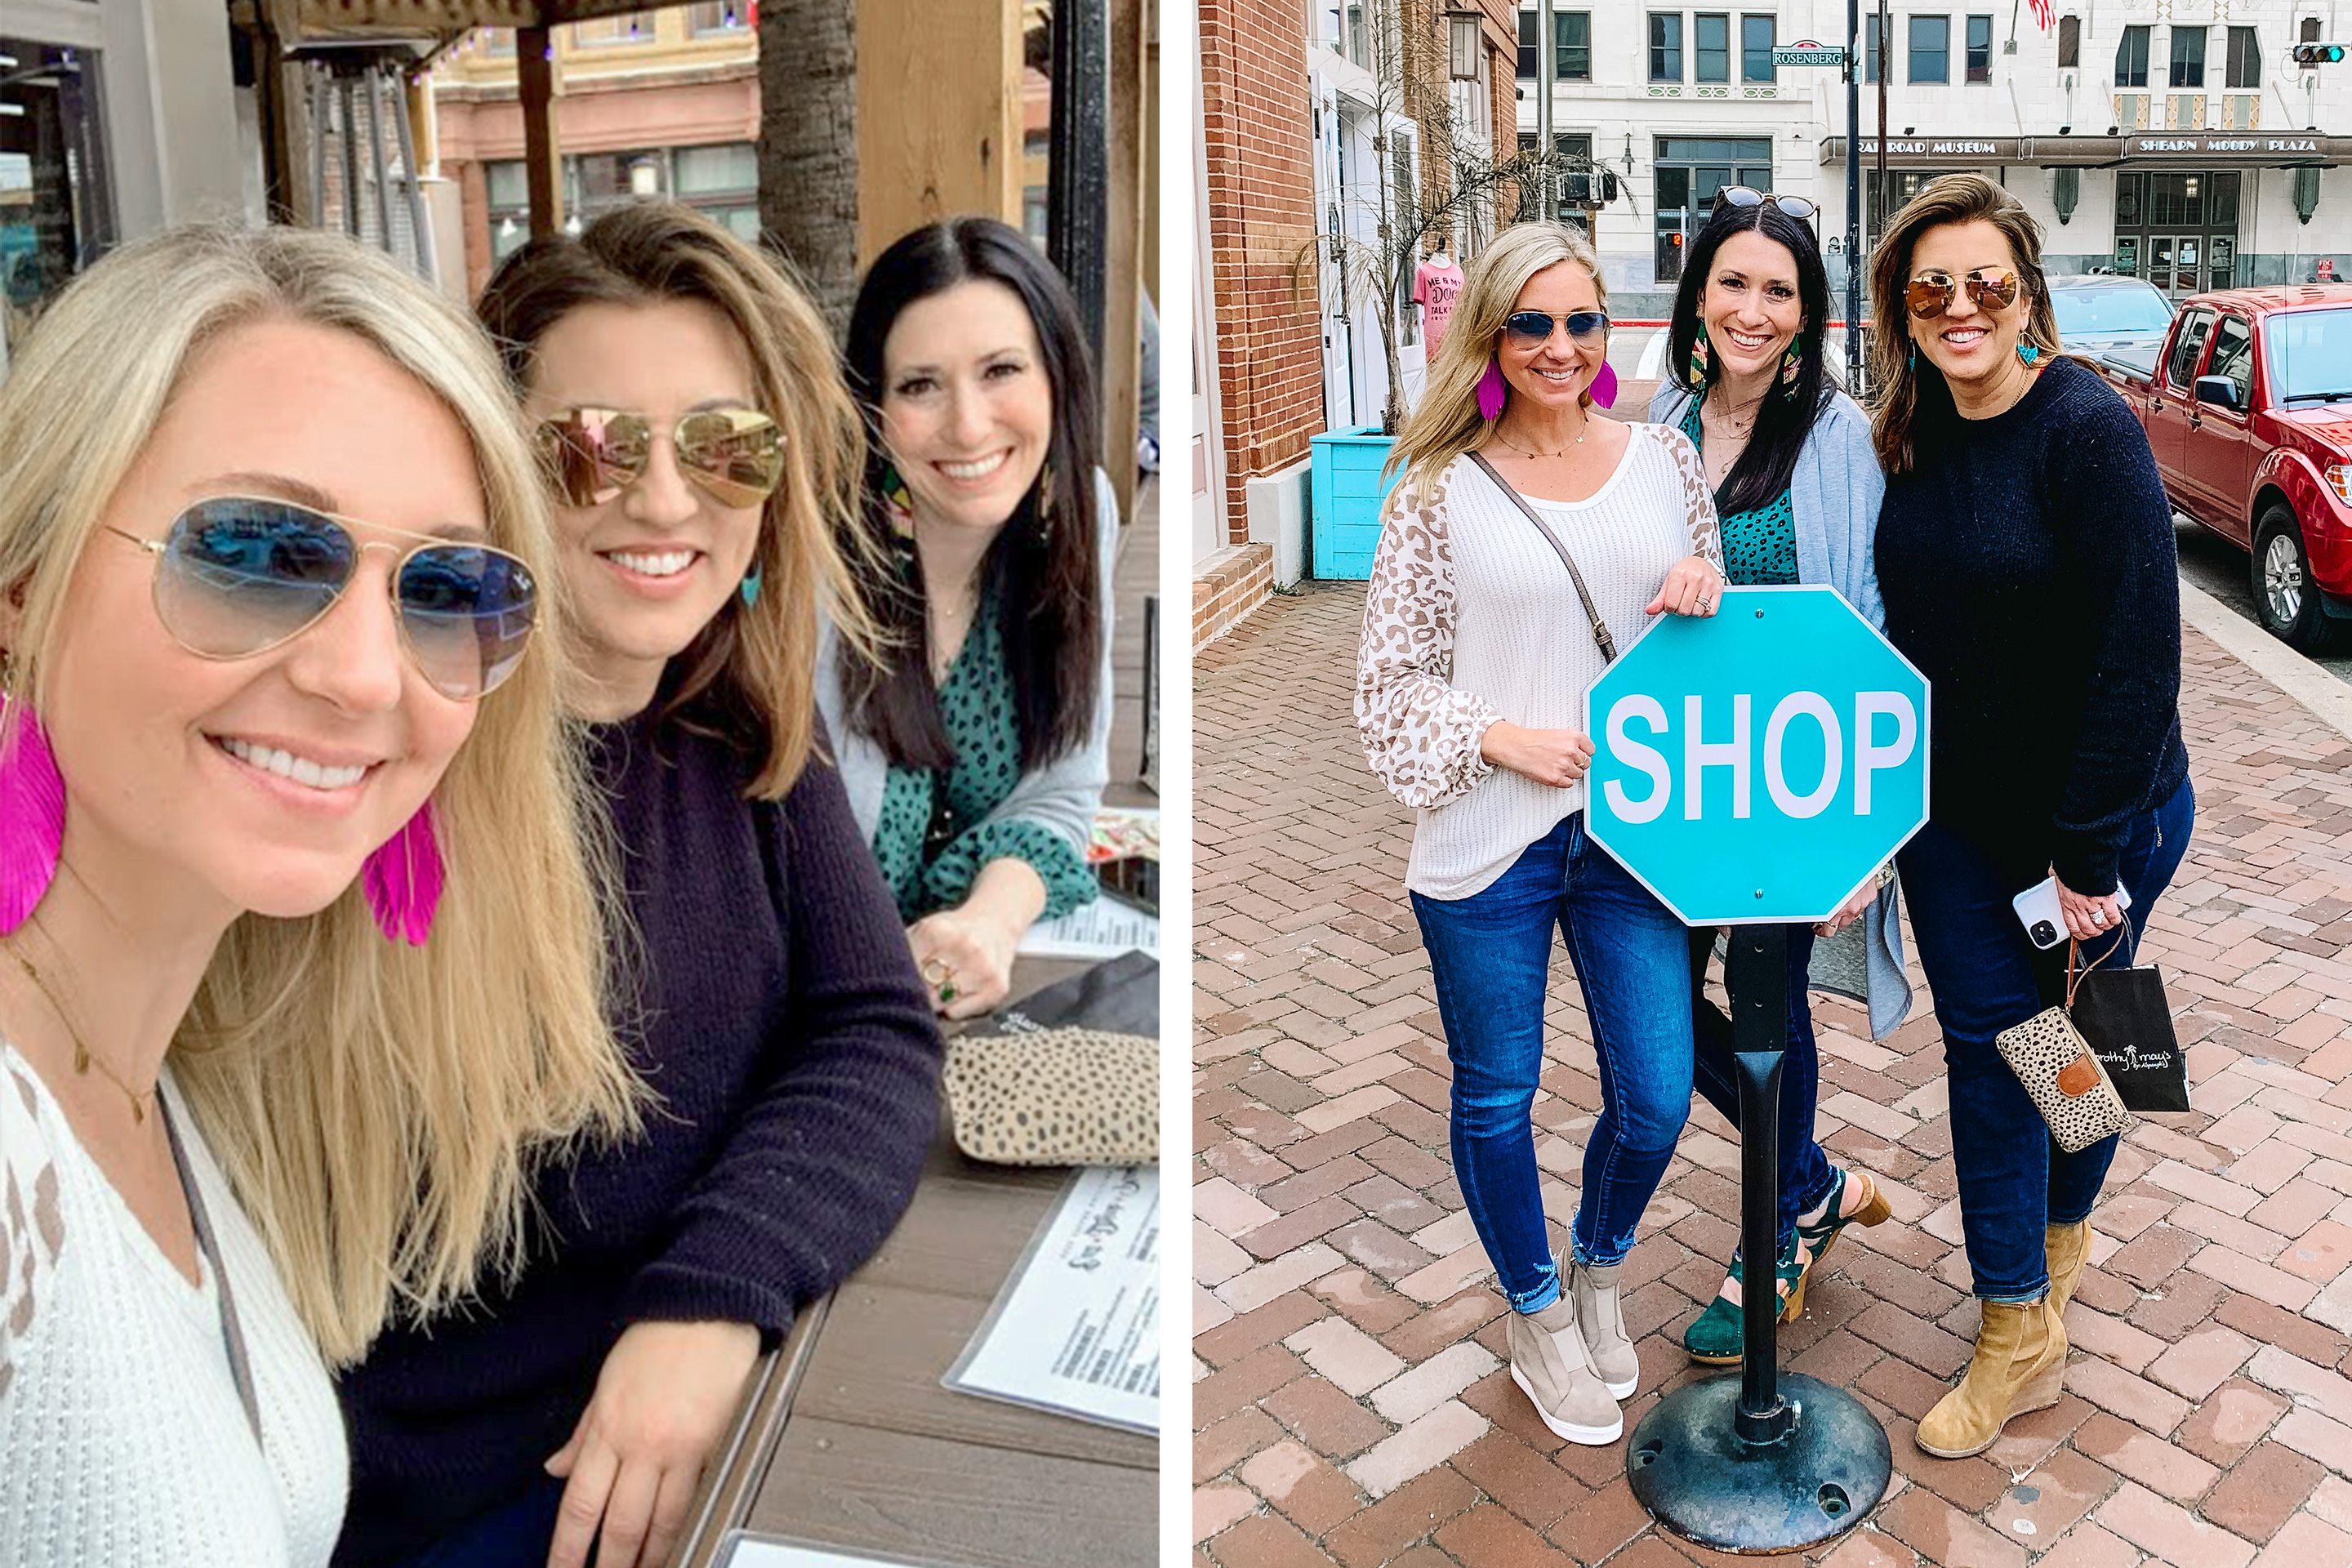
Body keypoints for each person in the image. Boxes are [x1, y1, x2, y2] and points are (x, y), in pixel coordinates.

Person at [0, 224, 639, 1568]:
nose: (365, 677)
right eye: (252, 552)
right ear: (22, 585)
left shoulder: (160, 1067)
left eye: (446, 590)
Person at [336, 203, 944, 1568]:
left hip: (719, 1430)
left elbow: (871, 1026)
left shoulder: (738, 719)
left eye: (727, 446)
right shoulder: (397, 761)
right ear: (496, 466)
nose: (666, 500)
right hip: (457, 1499)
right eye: (592, 447)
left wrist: (710, 1298)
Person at [1356, 220, 1726, 1446]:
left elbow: (1700, 626)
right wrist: (1500, 735)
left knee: (1658, 1093)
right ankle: (1534, 1312)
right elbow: (1388, 688)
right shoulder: (1436, 489)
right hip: (1490, 836)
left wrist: (1704, 586)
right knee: (1497, 1094)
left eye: (1581, 321)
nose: (1561, 346)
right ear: (1491, 335)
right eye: (1532, 323)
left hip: (1632, 834)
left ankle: (1597, 1265)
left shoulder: (1665, 460)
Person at [1869, 173, 2194, 1458]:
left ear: (2026, 294)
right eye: (1931, 288)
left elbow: (2141, 652)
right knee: (1991, 1053)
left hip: (2103, 820)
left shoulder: (2086, 426)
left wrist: (2087, 857)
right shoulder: (1910, 429)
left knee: (2096, 1054)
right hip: (1956, 824)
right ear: (1903, 308)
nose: (1960, 307)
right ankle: (2015, 1325)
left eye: (1985, 282)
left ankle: (2061, 1243)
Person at [1648, 189, 1909, 1363]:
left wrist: (1866, 832)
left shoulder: (1836, 437)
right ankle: (1811, 1185)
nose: (1752, 311)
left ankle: (1772, 1244)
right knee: (1653, 1013)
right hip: (1677, 788)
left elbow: (1871, 622)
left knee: (1770, 1003)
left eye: (1779, 291)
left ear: (1807, 315)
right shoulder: (1659, 425)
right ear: (1699, 295)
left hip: (1796, 787)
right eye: (1734, 284)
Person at [818, 218, 1116, 1021]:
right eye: (920, 385)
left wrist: (990, 921)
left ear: (1056, 374)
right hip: (815, 1006)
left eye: (1000, 370)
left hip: (958, 1006)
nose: (970, 425)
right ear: (874, 407)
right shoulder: (813, 566)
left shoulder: (1079, 514)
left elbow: (1062, 792)